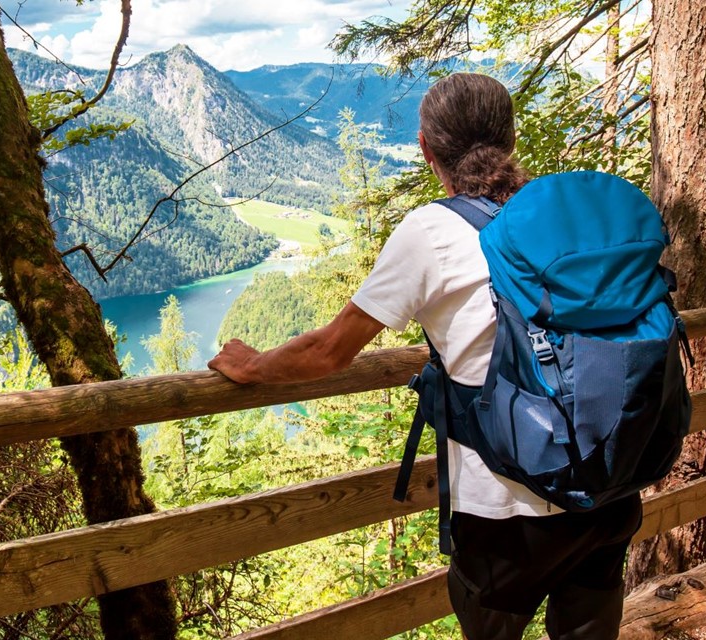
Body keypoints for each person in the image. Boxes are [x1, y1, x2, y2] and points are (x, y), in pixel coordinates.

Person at [207, 72, 642, 640]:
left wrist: (251, 366)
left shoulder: (432, 230)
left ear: (426, 150)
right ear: (510, 139)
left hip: (505, 506)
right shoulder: (567, 217)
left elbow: (329, 351)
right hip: (609, 484)